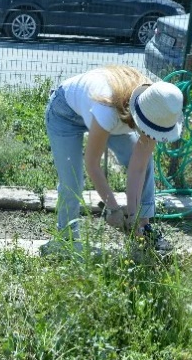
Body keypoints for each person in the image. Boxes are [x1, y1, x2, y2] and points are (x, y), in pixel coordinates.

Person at [41, 65, 184, 255]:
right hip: (65, 113)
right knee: (72, 181)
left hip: (117, 117)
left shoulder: (157, 108)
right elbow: (92, 164)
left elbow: (138, 169)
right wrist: (113, 208)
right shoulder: (108, 110)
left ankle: (144, 229)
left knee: (147, 165)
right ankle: (65, 238)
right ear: (139, 117)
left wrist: (133, 216)